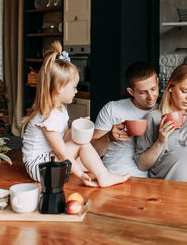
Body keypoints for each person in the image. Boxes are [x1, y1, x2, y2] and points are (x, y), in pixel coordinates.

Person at [22, 41, 130, 187]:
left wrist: (75, 128)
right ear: (59, 88)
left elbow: (64, 136)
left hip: (49, 160)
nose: (76, 91)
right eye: (73, 87)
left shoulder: (59, 110)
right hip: (39, 168)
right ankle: (104, 176)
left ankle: (102, 173)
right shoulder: (48, 116)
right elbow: (62, 153)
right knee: (82, 147)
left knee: (88, 160)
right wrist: (81, 175)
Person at [92, 61, 187, 177]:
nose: (150, 97)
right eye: (142, 92)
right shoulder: (113, 109)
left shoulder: (166, 114)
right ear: (131, 91)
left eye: (153, 89)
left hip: (150, 179)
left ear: (157, 82)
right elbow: (93, 152)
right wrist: (109, 137)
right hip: (113, 173)